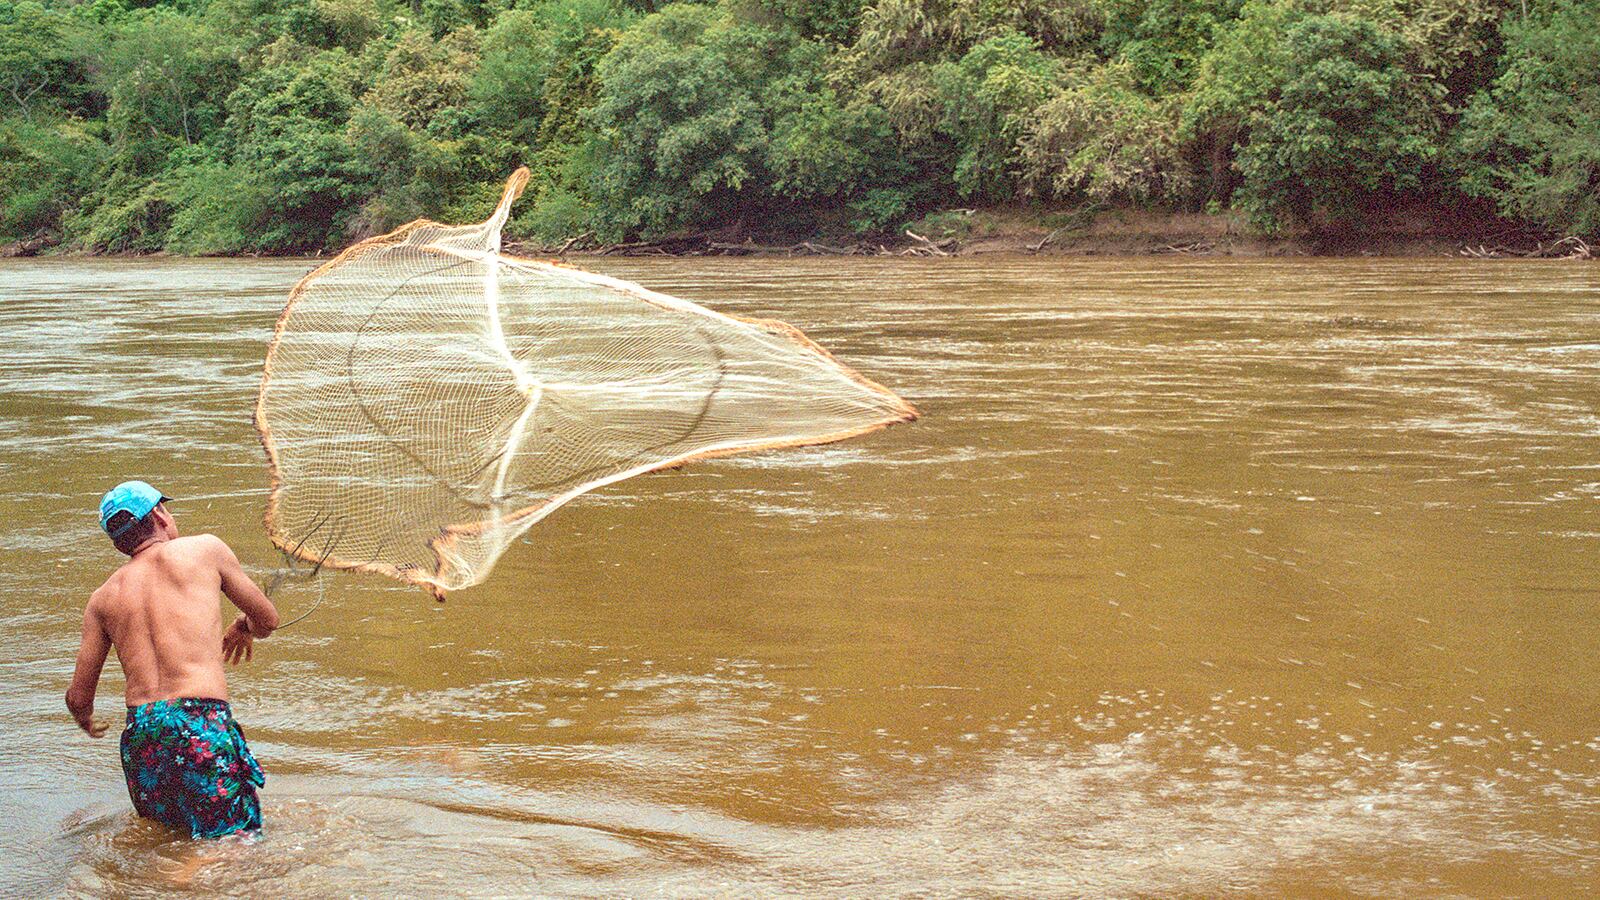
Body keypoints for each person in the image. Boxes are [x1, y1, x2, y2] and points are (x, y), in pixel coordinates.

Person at [66, 480, 280, 839]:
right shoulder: (204, 550)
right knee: (233, 841)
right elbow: (268, 620)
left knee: (167, 838)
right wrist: (244, 625)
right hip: (198, 720)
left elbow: (78, 698)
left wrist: (85, 719)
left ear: (119, 542)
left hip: (142, 732)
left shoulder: (102, 599)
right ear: (160, 516)